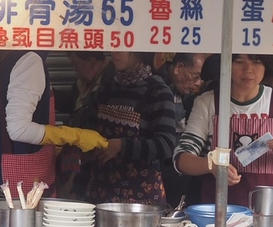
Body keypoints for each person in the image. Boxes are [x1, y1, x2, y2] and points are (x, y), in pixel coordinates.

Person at [173, 53, 273, 207]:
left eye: (257, 62)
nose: (248, 69)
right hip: (220, 211)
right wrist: (211, 165)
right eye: (239, 62)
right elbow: (181, 159)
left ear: (266, 66)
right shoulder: (208, 102)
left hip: (271, 209)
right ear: (226, 65)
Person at [0, 50, 106, 198]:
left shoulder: (6, 57)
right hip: (12, 183)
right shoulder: (29, 60)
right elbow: (18, 129)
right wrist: (73, 136)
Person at [83, 51, 176, 205]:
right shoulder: (106, 90)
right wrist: (78, 189)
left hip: (141, 202)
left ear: (139, 51)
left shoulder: (158, 91)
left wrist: (122, 146)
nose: (115, 53)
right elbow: (89, 145)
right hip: (101, 196)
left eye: (122, 48)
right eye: (113, 46)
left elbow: (166, 145)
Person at [54, 51, 113, 199]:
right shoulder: (84, 83)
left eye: (76, 64)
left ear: (92, 62)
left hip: (97, 155)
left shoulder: (110, 81)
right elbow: (70, 103)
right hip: (80, 153)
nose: (75, 70)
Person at [158, 53, 207, 208]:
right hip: (159, 166)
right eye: (195, 76)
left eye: (201, 78)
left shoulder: (186, 94)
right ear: (179, 68)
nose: (198, 83)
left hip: (179, 167)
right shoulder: (157, 86)